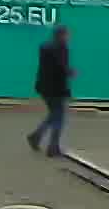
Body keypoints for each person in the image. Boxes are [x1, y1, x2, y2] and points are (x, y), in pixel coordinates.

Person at [26, 25, 74, 156]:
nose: (69, 37)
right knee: (59, 117)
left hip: (44, 87)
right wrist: (71, 73)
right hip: (56, 89)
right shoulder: (62, 48)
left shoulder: (45, 47)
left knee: (54, 114)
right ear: (62, 35)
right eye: (67, 35)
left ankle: (36, 137)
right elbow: (61, 69)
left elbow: (49, 67)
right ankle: (53, 147)